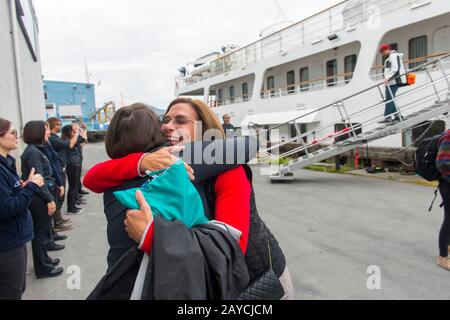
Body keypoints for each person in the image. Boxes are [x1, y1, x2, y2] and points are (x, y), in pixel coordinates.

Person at [84, 98, 293, 299]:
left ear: (204, 129)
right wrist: (143, 161)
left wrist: (152, 237)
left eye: (181, 121)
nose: (168, 126)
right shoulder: (165, 165)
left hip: (258, 279)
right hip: (211, 279)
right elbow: (93, 178)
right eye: (165, 120)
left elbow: (232, 249)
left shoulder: (228, 168)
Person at [0, 118, 44, 299]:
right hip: (7, 244)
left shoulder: (6, 162)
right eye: (12, 133)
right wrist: (32, 186)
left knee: (18, 287)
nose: (17, 136)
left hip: (14, 239)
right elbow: (6, 208)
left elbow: (8, 195)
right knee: (11, 292)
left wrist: (24, 186)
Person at [21, 121, 64, 278]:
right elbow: (39, 179)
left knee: (43, 232)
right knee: (39, 234)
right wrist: (49, 199)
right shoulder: (33, 152)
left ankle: (45, 260)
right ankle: (42, 268)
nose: (48, 133)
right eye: (45, 130)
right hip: (39, 199)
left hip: (41, 196)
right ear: (37, 132)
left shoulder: (37, 150)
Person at [48, 117, 76, 231]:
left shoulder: (55, 138)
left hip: (61, 168)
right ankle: (57, 222)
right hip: (58, 170)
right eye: (58, 124)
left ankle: (59, 219)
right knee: (59, 195)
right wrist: (76, 134)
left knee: (60, 195)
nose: (60, 126)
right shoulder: (53, 139)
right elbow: (69, 145)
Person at [379, 44, 407, 123]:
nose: (383, 54)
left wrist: (387, 78)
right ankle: (398, 115)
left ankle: (388, 117)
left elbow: (395, 68)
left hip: (394, 81)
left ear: (387, 50)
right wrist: (387, 79)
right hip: (392, 82)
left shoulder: (393, 56)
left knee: (389, 99)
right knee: (391, 98)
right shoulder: (392, 57)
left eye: (383, 52)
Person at [61, 125, 84, 214]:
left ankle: (73, 205)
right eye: (72, 131)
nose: (74, 132)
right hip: (72, 165)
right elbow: (73, 143)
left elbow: (82, 140)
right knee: (72, 187)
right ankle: (70, 208)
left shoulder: (69, 139)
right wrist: (76, 134)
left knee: (73, 186)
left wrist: (79, 132)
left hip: (74, 164)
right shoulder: (67, 141)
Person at [436, 129, 450, 270]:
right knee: (449, 218)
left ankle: (448, 244)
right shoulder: (449, 136)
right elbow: (442, 163)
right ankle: (442, 257)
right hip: (447, 183)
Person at [72, 121, 89, 198]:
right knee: (75, 179)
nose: (77, 130)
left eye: (77, 128)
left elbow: (84, 141)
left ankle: (78, 190)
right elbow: (82, 139)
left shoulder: (76, 137)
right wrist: (83, 131)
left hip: (78, 156)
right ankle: (76, 194)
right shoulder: (72, 138)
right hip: (74, 160)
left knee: (78, 176)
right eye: (75, 128)